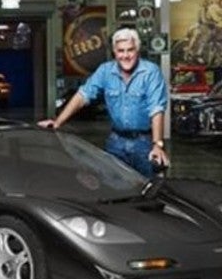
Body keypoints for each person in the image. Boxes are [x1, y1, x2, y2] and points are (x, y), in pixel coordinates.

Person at [39, 27, 169, 177]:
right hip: (116, 141)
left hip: (144, 142)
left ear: (137, 50)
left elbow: (157, 109)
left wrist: (157, 144)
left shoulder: (151, 72)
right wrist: (58, 122)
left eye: (130, 50)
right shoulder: (105, 71)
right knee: (112, 188)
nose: (125, 55)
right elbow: (83, 95)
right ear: (114, 52)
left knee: (148, 187)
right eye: (121, 51)